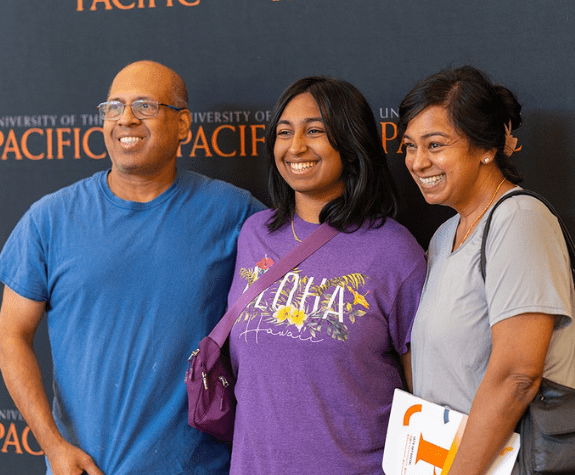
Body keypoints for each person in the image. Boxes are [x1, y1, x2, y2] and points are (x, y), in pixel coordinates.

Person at [0, 60, 264, 475]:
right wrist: (53, 446)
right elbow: (11, 336)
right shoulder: (48, 219)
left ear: (182, 125)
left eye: (144, 105)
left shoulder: (235, 213)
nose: (125, 118)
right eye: (113, 106)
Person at [226, 76, 426, 474]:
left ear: (351, 145)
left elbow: (425, 396)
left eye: (314, 131)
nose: (295, 146)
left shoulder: (393, 250)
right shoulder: (254, 234)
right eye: (285, 132)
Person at [399, 65, 575, 475]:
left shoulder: (520, 220)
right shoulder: (444, 236)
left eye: (435, 144)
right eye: (409, 146)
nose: (418, 162)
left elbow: (518, 376)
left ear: (486, 147)